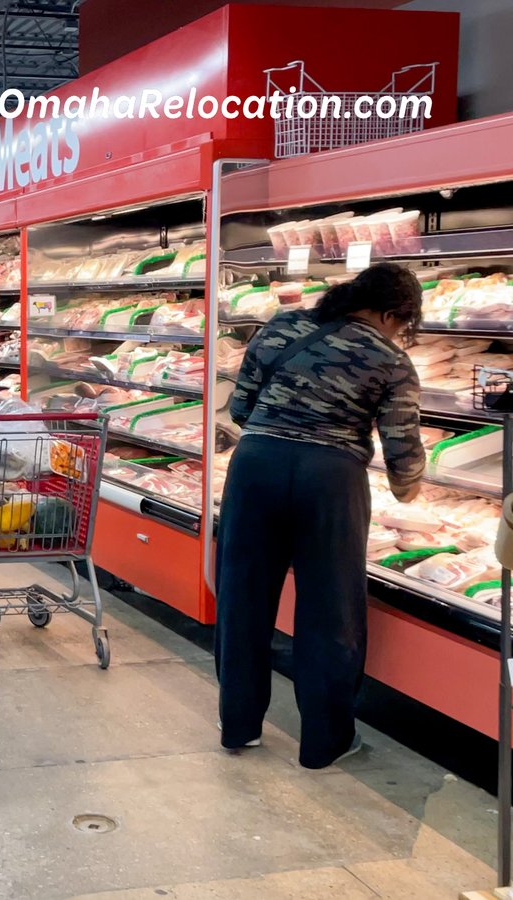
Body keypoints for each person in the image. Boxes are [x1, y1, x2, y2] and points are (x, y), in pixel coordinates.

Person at [215, 262, 426, 769]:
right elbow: (402, 450)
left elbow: (241, 407)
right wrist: (409, 489)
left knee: (243, 597)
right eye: (404, 324)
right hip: (329, 481)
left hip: (256, 466)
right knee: (330, 611)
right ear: (392, 314)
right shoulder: (392, 359)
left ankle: (239, 727)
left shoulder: (281, 325)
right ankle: (324, 743)